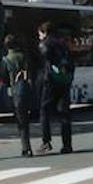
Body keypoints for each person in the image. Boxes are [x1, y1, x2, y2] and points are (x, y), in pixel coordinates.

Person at [38, 21, 74, 154]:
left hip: (51, 81)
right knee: (64, 113)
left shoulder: (46, 43)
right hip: (64, 81)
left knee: (44, 110)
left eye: (40, 34)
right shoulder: (63, 43)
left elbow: (44, 55)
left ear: (44, 32)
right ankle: (67, 144)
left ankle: (46, 141)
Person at [0, 34, 33, 157]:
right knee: (25, 119)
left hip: (14, 92)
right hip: (26, 90)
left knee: (21, 121)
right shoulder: (23, 56)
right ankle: (27, 146)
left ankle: (26, 147)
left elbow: (3, 78)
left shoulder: (6, 60)